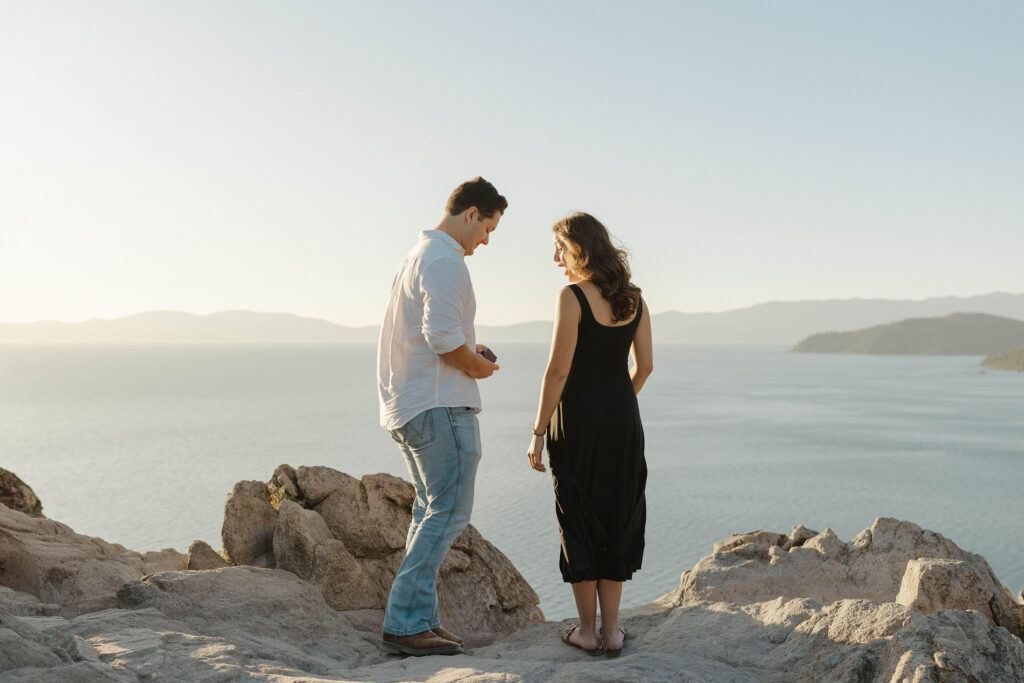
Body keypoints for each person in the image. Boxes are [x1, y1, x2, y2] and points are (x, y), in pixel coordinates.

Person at [377, 177, 507, 656]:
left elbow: (432, 334)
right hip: (439, 408)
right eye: (488, 228)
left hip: (409, 404)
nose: (486, 241)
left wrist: (471, 351)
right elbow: (442, 341)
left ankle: (420, 619)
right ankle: (405, 622)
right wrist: (480, 367)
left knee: (427, 512)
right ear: (471, 213)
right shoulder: (445, 260)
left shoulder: (416, 257)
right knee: (449, 513)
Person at [526, 212, 653, 657]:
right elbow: (646, 367)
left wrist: (538, 432)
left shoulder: (572, 296)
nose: (555, 257)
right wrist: (616, 400)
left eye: (560, 247)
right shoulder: (635, 299)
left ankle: (586, 631)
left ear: (579, 248)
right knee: (617, 515)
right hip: (623, 421)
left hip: (576, 423)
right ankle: (614, 631)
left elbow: (558, 371)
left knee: (577, 518)